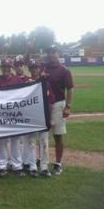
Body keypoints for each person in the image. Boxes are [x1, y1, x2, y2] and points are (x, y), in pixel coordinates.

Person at [42, 46, 74, 175]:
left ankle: (58, 163)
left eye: (53, 52)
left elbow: (70, 89)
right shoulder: (44, 67)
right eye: (49, 52)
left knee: (57, 136)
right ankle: (43, 160)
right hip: (44, 105)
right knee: (43, 135)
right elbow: (28, 63)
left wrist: (68, 106)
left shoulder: (64, 70)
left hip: (58, 104)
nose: (51, 55)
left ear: (58, 54)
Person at [0, 58, 25, 177]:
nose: (6, 69)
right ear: (1, 68)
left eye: (8, 67)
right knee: (2, 141)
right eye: (4, 67)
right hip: (2, 114)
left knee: (16, 141)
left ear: (11, 68)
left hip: (15, 114)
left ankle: (17, 166)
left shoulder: (17, 79)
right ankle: (2, 166)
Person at [24, 59, 55, 177]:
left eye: (36, 68)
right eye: (32, 68)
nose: (34, 70)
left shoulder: (45, 84)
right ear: (29, 69)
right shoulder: (26, 83)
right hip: (31, 117)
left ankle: (44, 167)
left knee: (44, 142)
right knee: (31, 142)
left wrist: (51, 118)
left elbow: (51, 102)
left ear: (39, 69)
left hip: (44, 116)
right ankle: (32, 167)